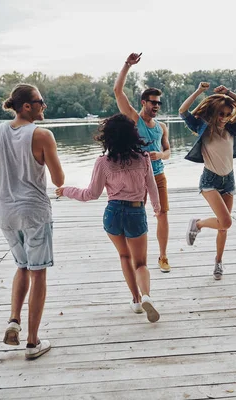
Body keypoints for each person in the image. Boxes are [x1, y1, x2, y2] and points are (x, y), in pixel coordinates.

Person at [0, 83, 65, 360]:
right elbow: (59, 180)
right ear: (27, 106)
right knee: (38, 271)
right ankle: (32, 342)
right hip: (34, 213)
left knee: (22, 266)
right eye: (41, 101)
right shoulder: (42, 135)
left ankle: (14, 320)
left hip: (6, 213)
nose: (44, 106)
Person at [55, 114, 161, 323]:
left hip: (112, 213)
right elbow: (152, 187)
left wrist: (66, 190)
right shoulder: (144, 158)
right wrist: (157, 209)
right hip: (135, 212)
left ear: (108, 137)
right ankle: (146, 295)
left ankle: (136, 301)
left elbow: (91, 194)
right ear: (133, 135)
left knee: (124, 257)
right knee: (140, 263)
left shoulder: (103, 162)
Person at [180, 82, 236, 279]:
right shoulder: (202, 128)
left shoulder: (232, 128)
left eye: (227, 114)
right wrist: (199, 91)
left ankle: (218, 262)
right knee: (226, 221)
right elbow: (183, 111)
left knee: (223, 227)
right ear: (214, 113)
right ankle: (197, 224)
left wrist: (229, 93)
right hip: (210, 180)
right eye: (221, 114)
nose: (224, 118)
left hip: (229, 180)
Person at [113, 53, 172, 273]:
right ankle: (138, 258)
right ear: (143, 102)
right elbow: (118, 92)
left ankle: (163, 257)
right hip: (136, 178)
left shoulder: (162, 127)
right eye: (153, 102)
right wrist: (127, 65)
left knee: (162, 214)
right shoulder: (133, 119)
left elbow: (168, 151)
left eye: (159, 103)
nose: (156, 106)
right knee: (138, 216)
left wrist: (161, 155)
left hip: (158, 175)